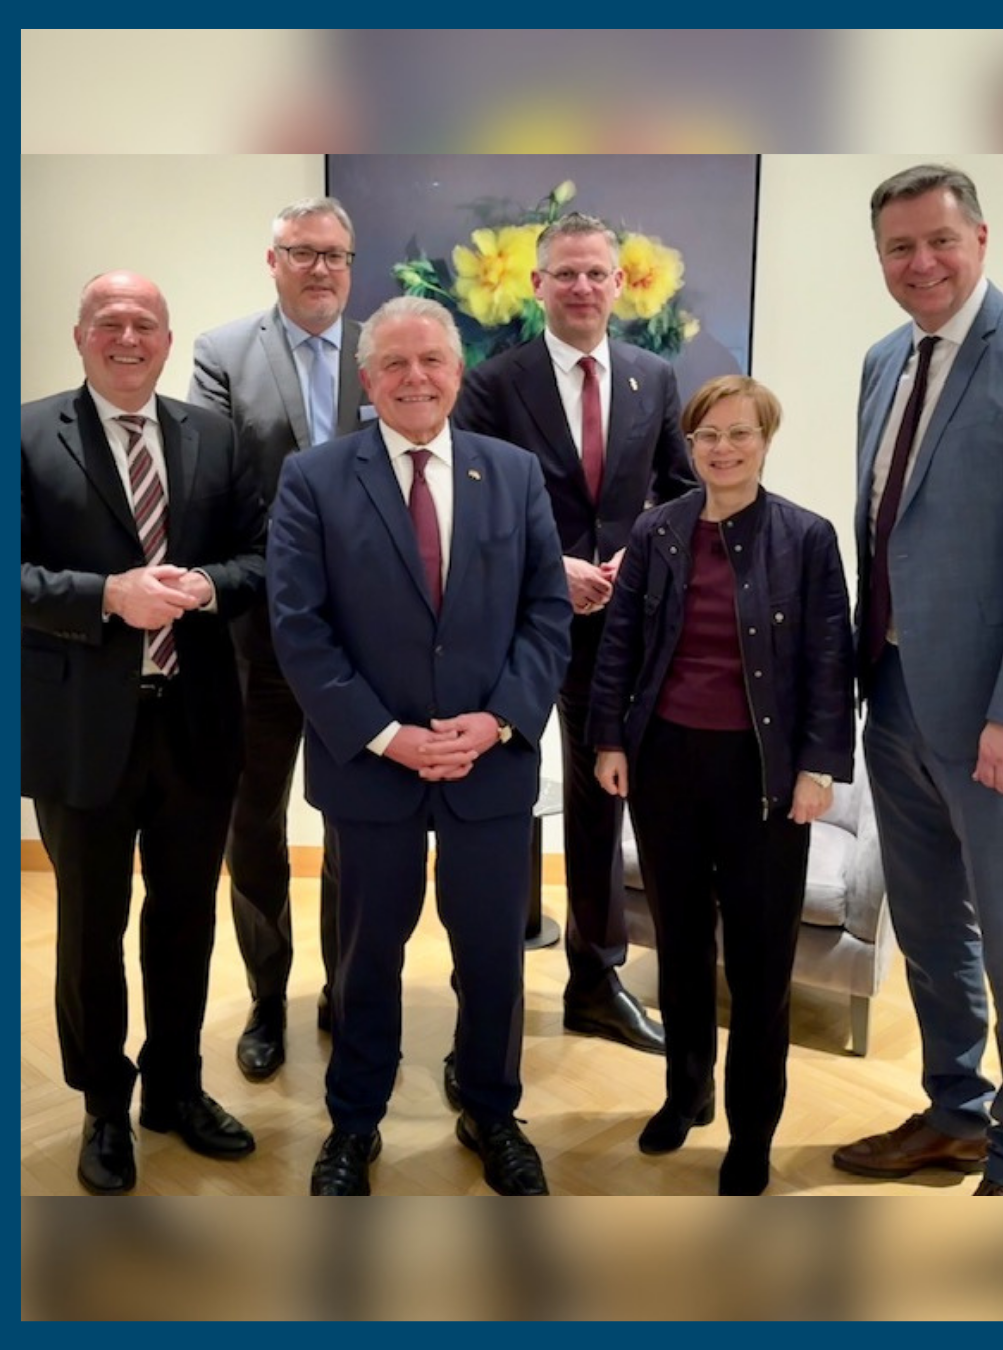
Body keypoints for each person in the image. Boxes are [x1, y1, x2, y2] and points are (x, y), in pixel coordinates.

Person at [267, 296, 572, 1195]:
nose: (414, 378)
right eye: (393, 364)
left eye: (431, 360)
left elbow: (547, 611)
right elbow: (299, 628)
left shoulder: (512, 473)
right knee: (365, 960)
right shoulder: (313, 478)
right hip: (371, 771)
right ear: (366, 380)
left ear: (457, 371)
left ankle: (492, 1111)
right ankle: (354, 1125)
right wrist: (386, 735)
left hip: (490, 763)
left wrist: (501, 717)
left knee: (493, 958)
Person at [833, 165, 1003, 1196]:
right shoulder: (883, 359)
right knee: (929, 929)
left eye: (939, 241)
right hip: (894, 695)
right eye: (899, 247)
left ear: (981, 240)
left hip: (1001, 720)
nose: (920, 263)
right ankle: (956, 1111)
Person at [21, 271, 266, 1195]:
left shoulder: (215, 437)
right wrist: (106, 596)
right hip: (80, 730)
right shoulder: (26, 433)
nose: (128, 338)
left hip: (195, 722)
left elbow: (260, 557)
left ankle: (175, 1087)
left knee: (185, 918)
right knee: (91, 928)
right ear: (80, 335)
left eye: (145, 325)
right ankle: (101, 1105)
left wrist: (204, 586)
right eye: (110, 323)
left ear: (168, 340)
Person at [588, 374, 854, 1194]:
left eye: (741, 433)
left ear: (766, 441)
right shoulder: (657, 531)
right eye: (708, 435)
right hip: (665, 764)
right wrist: (609, 739)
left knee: (761, 962)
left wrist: (818, 769)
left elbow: (830, 661)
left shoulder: (806, 538)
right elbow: (620, 643)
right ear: (691, 445)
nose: (724, 449)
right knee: (680, 947)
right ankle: (687, 1092)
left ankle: (752, 1132)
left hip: (764, 777)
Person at [453, 211, 697, 1070]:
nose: (583, 287)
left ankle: (595, 981)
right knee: (497, 801)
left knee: (603, 803)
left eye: (597, 273)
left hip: (618, 630)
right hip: (515, 624)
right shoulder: (493, 382)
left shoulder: (654, 377)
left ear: (620, 284)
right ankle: (484, 988)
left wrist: (638, 556)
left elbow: (682, 490)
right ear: (538, 284)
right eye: (566, 273)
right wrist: (552, 565)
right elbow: (467, 499)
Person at [188, 196, 365, 1080]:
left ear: (351, 264)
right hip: (254, 638)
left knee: (354, 824)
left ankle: (346, 990)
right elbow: (213, 483)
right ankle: (267, 997)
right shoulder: (224, 353)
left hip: (363, 642)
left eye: (335, 255)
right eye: (302, 252)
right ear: (274, 262)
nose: (320, 268)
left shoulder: (382, 351)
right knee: (251, 821)